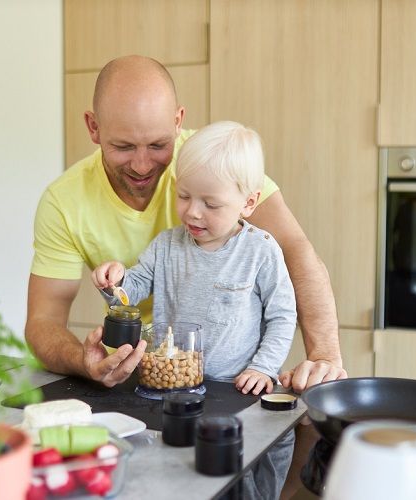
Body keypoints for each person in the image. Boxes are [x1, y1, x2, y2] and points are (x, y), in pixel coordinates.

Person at [25, 54, 345, 391]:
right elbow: (43, 320)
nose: (142, 164)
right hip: (150, 371)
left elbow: (296, 251)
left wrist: (325, 356)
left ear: (178, 121)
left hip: (230, 381)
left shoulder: (212, 163)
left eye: (158, 145)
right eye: (123, 146)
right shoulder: (63, 201)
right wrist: (85, 361)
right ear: (94, 128)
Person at [91, 121, 296, 499]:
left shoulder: (261, 251)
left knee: (251, 472)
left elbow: (282, 316)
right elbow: (130, 294)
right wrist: (114, 283)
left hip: (236, 391)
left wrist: (263, 368)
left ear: (248, 203)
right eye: (183, 196)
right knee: (185, 479)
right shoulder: (167, 245)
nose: (193, 213)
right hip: (177, 391)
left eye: (211, 203)